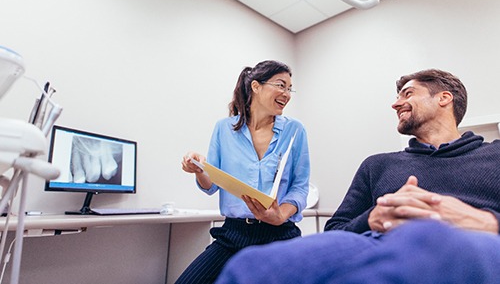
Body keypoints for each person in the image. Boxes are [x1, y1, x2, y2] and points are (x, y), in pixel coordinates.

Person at [214, 69, 500, 284]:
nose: (396, 103)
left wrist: (488, 221)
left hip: (471, 242)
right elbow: (335, 229)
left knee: (428, 239)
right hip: (373, 242)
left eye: (408, 93)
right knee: (253, 267)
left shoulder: (494, 155)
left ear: (444, 98)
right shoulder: (378, 165)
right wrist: (372, 218)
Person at [176, 60, 310, 284]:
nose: (286, 94)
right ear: (256, 86)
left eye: (289, 88)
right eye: (280, 85)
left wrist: (280, 216)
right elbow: (211, 185)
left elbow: (299, 186)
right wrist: (199, 169)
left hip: (280, 235)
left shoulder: (295, 130)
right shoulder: (223, 129)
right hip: (233, 235)